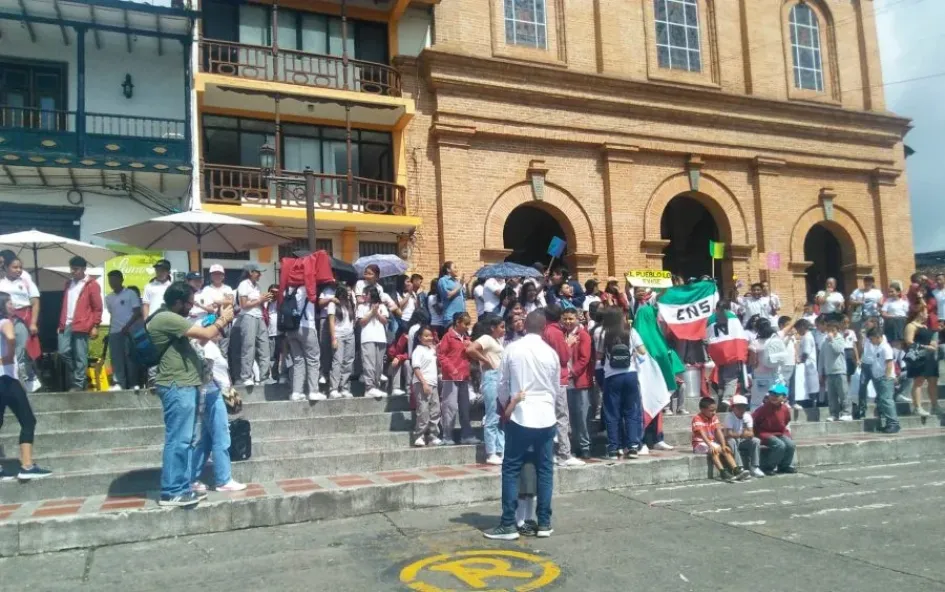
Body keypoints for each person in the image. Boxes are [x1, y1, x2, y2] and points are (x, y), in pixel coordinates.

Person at [148, 281, 233, 507]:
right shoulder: (166, 318)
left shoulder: (172, 318)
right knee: (178, 440)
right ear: (177, 302)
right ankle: (172, 491)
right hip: (176, 385)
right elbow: (206, 332)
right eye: (188, 302)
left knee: (185, 440)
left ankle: (182, 487)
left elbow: (201, 334)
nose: (191, 306)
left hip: (184, 384)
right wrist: (224, 318)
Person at [483, 310, 559, 541]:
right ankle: (544, 522)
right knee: (545, 470)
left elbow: (503, 383)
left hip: (522, 413)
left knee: (511, 468)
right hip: (546, 414)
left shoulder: (513, 349)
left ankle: (509, 523)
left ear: (525, 325)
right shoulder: (550, 352)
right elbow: (556, 387)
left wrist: (507, 405)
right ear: (544, 327)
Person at [0, 292, 51, 480]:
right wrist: (7, 355)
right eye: (10, 303)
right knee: (28, 421)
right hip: (6, 380)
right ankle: (27, 466)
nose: (13, 306)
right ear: (3, 306)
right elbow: (11, 338)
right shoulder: (6, 322)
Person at [189, 332, 246, 494]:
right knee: (221, 435)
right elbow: (206, 373)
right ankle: (223, 479)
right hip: (212, 393)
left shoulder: (210, 346)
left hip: (212, 392)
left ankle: (191, 478)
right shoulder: (204, 346)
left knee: (206, 440)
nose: (221, 333)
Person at [600, 307, 647, 459]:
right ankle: (633, 447)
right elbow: (643, 351)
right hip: (630, 374)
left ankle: (614, 448)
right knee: (632, 411)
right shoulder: (630, 331)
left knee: (612, 413)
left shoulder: (601, 333)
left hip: (612, 376)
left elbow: (599, 354)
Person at [541, 305, 583, 466]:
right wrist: (569, 343)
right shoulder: (555, 332)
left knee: (551, 416)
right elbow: (563, 357)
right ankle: (564, 454)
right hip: (558, 378)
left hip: (547, 379)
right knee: (561, 417)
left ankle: (549, 452)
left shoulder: (544, 331)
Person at [57, 256, 103, 391]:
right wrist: (61, 323)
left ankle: (78, 382)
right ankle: (78, 376)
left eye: (76, 269)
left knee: (80, 354)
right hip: (66, 323)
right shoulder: (68, 284)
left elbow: (97, 307)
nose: (73, 271)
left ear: (83, 269)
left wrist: (95, 325)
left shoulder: (91, 284)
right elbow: (65, 305)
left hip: (83, 324)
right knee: (62, 351)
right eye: (71, 268)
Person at [466, 313, 506, 463]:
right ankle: (491, 452)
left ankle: (500, 449)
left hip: (499, 377)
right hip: (491, 376)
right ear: (492, 327)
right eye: (501, 327)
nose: (504, 329)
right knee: (492, 415)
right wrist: (485, 360)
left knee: (500, 415)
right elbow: (470, 349)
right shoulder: (487, 338)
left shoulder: (496, 341)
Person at [438, 312, 478, 444]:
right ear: (457, 323)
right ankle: (447, 436)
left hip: (464, 376)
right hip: (451, 378)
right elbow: (441, 356)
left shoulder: (465, 338)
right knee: (450, 407)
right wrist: (452, 370)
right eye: (465, 324)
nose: (467, 326)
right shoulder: (448, 337)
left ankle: (466, 435)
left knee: (464, 407)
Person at [0, 257, 40, 385]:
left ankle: (23, 380)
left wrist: (33, 322)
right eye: (15, 267)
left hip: (22, 319)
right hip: (4, 319)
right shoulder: (1, 282)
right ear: (6, 267)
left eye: (20, 267)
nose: (18, 270)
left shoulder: (26, 282)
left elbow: (35, 303)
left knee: (22, 349)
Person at [692, 397, 750, 482]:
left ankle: (736, 470)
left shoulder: (714, 417)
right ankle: (723, 473)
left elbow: (718, 431)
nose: (714, 412)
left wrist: (723, 445)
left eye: (715, 410)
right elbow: (702, 433)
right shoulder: (697, 418)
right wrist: (710, 445)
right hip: (699, 444)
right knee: (714, 450)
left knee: (726, 449)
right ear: (702, 409)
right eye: (711, 410)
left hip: (710, 442)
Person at [561, 307, 593, 459]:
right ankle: (575, 446)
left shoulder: (583, 335)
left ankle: (585, 446)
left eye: (571, 319)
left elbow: (584, 359)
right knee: (571, 416)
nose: (568, 322)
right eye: (565, 319)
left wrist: (572, 373)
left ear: (577, 319)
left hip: (579, 382)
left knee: (581, 415)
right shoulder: (562, 335)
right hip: (566, 382)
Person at [235, 263, 272, 386]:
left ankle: (264, 377)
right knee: (248, 346)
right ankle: (246, 376)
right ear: (251, 272)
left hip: (259, 316)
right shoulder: (244, 285)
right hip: (248, 316)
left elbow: (256, 302)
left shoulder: (257, 286)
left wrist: (264, 299)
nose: (260, 274)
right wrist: (260, 300)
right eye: (258, 272)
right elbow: (244, 305)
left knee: (264, 346)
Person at [105, 270, 142, 391]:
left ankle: (133, 383)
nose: (112, 282)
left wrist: (128, 326)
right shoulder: (108, 298)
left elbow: (137, 312)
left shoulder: (130, 293)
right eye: (110, 280)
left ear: (121, 280)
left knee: (130, 358)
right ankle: (119, 383)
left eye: (114, 279)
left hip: (129, 331)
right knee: (116, 359)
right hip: (115, 332)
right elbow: (113, 314)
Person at [285, 281, 321, 402]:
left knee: (298, 360)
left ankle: (296, 392)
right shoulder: (306, 288)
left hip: (290, 329)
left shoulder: (288, 290)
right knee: (313, 359)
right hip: (306, 327)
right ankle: (313, 391)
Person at [860, 326, 900, 432]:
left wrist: (887, 378)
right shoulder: (878, 347)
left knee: (887, 400)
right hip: (878, 378)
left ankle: (893, 423)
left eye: (872, 339)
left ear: (877, 337)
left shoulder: (885, 347)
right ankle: (888, 423)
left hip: (884, 378)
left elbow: (889, 363)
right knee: (882, 401)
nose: (871, 341)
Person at [752, 383, 797, 475]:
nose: (773, 397)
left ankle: (784, 466)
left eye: (777, 395)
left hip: (779, 433)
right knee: (779, 445)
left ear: (784, 398)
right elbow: (754, 420)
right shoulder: (763, 408)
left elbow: (786, 421)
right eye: (771, 394)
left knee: (791, 444)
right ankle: (768, 467)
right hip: (764, 433)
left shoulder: (785, 409)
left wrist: (783, 433)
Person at [904, 304, 939, 416]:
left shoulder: (925, 326)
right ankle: (917, 407)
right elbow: (909, 341)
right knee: (918, 382)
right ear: (920, 313)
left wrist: (933, 343)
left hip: (930, 357)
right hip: (918, 357)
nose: (927, 314)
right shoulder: (911, 326)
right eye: (925, 312)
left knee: (933, 381)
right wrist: (925, 347)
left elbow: (930, 339)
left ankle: (935, 406)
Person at [410, 325, 443, 446]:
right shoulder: (418, 350)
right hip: (421, 383)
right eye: (426, 335)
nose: (429, 338)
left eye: (430, 335)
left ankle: (433, 435)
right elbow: (416, 368)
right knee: (423, 410)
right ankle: (419, 435)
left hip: (433, 383)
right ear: (419, 337)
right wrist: (424, 383)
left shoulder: (432, 350)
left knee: (435, 411)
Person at [358, 287, 390, 398]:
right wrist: (372, 312)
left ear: (372, 294)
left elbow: (385, 321)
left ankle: (376, 387)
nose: (364, 296)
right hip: (367, 338)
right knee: (369, 364)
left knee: (379, 365)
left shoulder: (382, 306)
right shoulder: (361, 307)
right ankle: (369, 387)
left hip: (380, 338)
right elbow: (361, 322)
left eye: (366, 294)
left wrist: (377, 313)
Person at [723, 394, 764, 478]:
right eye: (739, 407)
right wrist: (741, 434)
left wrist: (744, 434)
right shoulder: (729, 417)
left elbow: (751, 433)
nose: (742, 409)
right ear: (733, 407)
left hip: (742, 440)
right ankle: (740, 468)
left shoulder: (747, 416)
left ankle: (754, 467)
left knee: (756, 441)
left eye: (744, 407)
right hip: (732, 440)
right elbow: (728, 434)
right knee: (731, 440)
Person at [820, 319, 852, 421]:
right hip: (829, 372)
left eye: (832, 330)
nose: (830, 332)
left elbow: (837, 350)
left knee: (843, 393)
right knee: (831, 395)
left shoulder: (840, 339)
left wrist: (832, 340)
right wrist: (820, 372)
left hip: (839, 371)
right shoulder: (825, 341)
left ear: (837, 330)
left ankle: (847, 413)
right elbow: (821, 357)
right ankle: (834, 414)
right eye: (828, 330)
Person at [327, 285, 356, 399]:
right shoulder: (333, 304)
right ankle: (334, 388)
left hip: (350, 335)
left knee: (348, 361)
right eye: (346, 294)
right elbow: (331, 322)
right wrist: (333, 338)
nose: (348, 295)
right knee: (337, 361)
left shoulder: (350, 304)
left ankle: (344, 387)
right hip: (338, 335)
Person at [437, 262, 467, 328]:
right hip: (451, 317)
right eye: (455, 267)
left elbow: (463, 297)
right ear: (448, 270)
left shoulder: (456, 281)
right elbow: (448, 295)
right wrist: (460, 285)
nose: (457, 269)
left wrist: (463, 285)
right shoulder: (443, 280)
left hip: (461, 316)